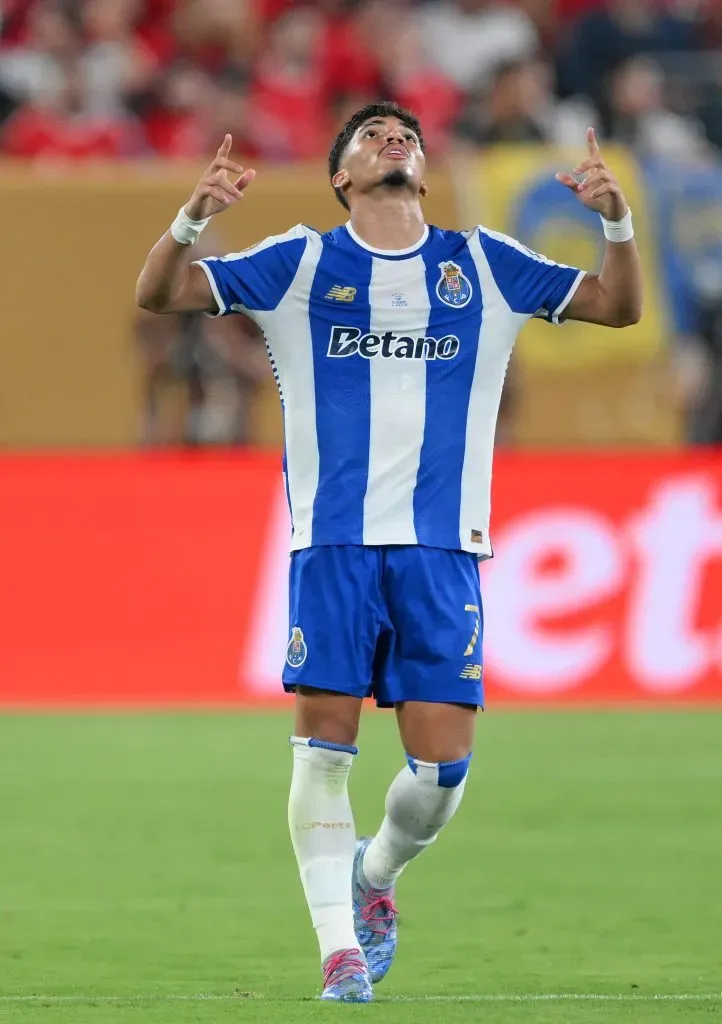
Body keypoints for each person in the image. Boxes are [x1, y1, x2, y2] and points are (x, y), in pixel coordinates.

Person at [135, 101, 642, 1003]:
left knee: (442, 772)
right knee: (322, 753)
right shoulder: (297, 260)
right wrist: (192, 218)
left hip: (442, 546)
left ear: (420, 162)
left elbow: (614, 306)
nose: (391, 138)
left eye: (402, 132)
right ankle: (337, 952)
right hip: (330, 542)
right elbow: (160, 293)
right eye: (369, 135)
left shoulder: (482, 263)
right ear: (341, 176)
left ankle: (373, 874)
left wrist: (614, 221)